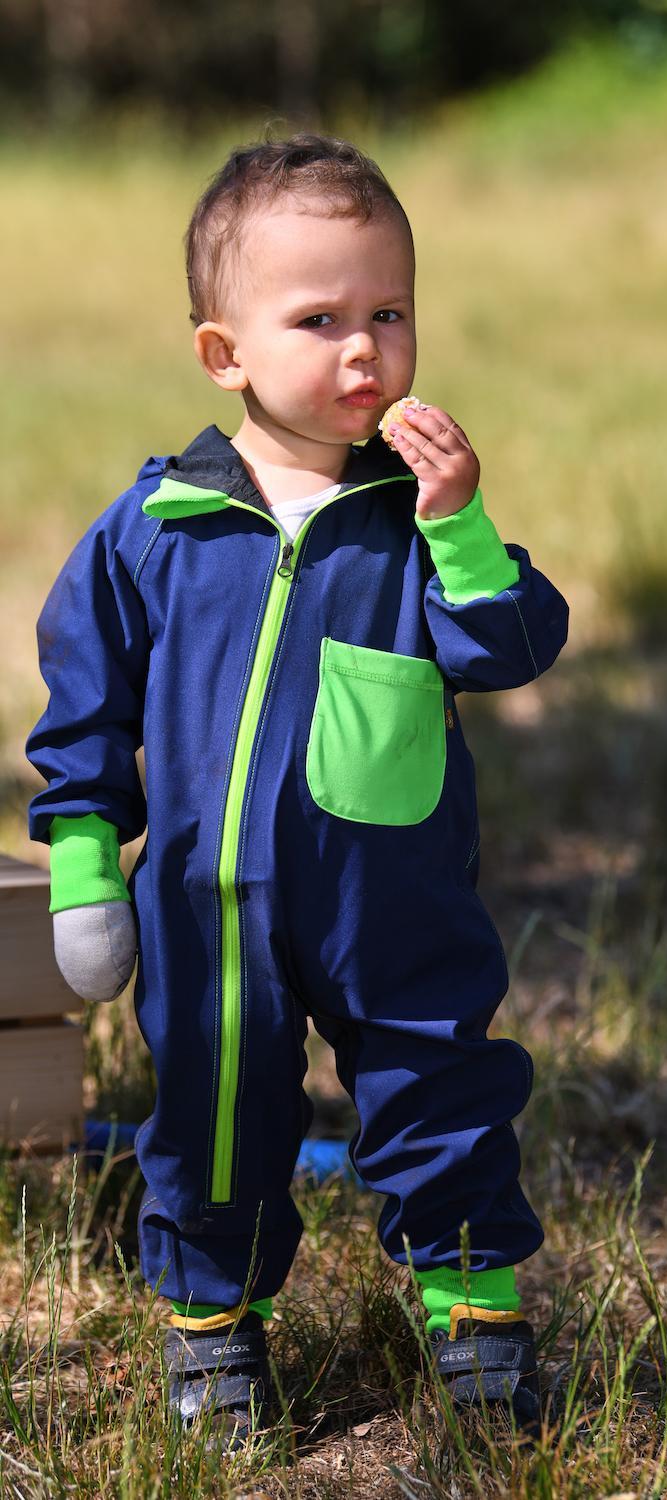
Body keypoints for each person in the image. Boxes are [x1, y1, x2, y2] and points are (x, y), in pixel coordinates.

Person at [25, 134, 569, 1444]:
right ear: (226, 353)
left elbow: (512, 644)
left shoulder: (412, 512)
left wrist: (460, 521)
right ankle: (214, 1326)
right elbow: (82, 705)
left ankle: (477, 1314)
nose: (365, 352)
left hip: (396, 905)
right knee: (214, 1116)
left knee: (441, 1089)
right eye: (320, 320)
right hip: (211, 912)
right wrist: (91, 864)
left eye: (390, 313)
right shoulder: (156, 524)